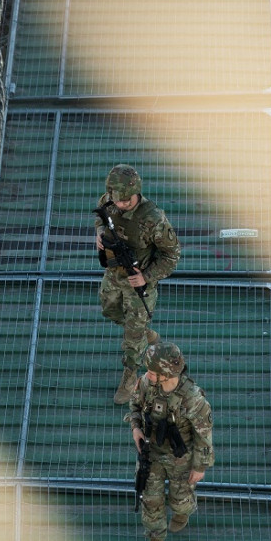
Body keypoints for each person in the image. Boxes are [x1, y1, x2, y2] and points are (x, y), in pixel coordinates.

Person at [124, 342, 213, 541]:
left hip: (180, 456)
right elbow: (134, 404)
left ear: (167, 374)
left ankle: (182, 513)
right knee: (151, 502)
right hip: (151, 453)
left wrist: (200, 466)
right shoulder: (146, 384)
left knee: (180, 500)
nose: (147, 375)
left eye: (153, 372)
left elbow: (204, 434)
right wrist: (135, 428)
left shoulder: (192, 398)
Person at [94, 163, 181, 404]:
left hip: (138, 281)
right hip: (114, 273)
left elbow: (172, 256)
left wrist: (146, 276)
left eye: (126, 201)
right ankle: (145, 332)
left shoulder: (153, 219)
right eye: (117, 200)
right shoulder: (110, 200)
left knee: (132, 337)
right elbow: (99, 215)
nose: (121, 204)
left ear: (137, 192)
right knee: (109, 310)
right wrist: (99, 234)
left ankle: (130, 375)